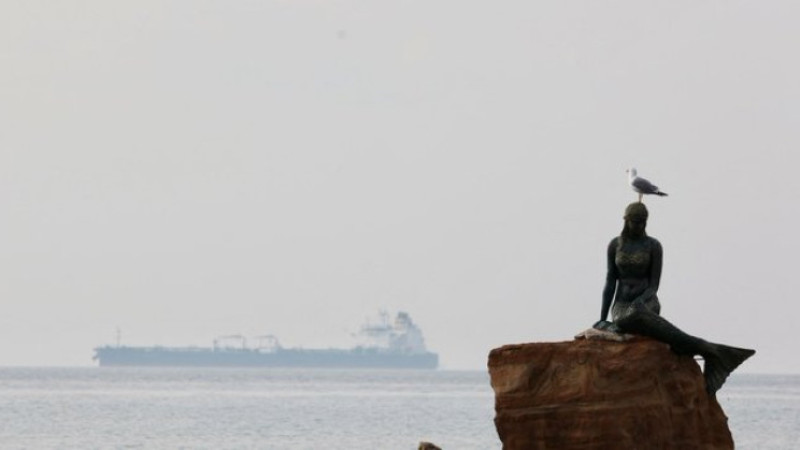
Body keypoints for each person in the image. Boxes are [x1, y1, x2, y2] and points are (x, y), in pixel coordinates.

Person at [595, 202, 755, 395]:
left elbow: (654, 285)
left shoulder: (654, 246)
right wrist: (603, 317)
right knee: (625, 318)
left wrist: (643, 299)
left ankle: (704, 349)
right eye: (634, 222)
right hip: (622, 305)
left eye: (642, 222)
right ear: (626, 221)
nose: (638, 226)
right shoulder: (615, 245)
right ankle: (708, 349)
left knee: (638, 314)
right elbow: (610, 281)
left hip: (647, 301)